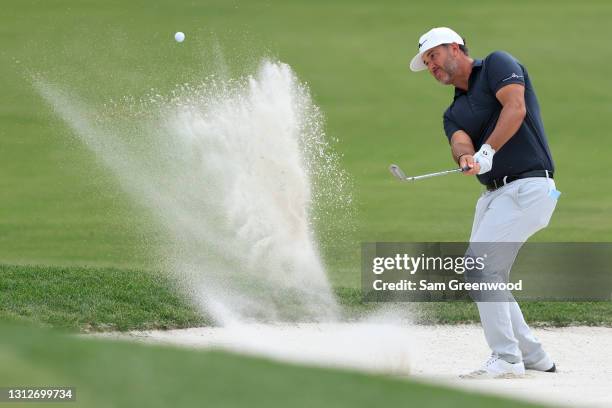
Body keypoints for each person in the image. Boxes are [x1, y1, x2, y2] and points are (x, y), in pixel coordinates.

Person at [409, 27, 560, 378]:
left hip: (530, 187)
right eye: (427, 62)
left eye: (433, 55)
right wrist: (467, 157)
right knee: (489, 275)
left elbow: (516, 106)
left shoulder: (496, 64)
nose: (431, 66)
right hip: (493, 196)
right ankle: (533, 354)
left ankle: (507, 357)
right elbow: (459, 142)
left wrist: (488, 150)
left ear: (455, 47)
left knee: (478, 269)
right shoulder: (454, 112)